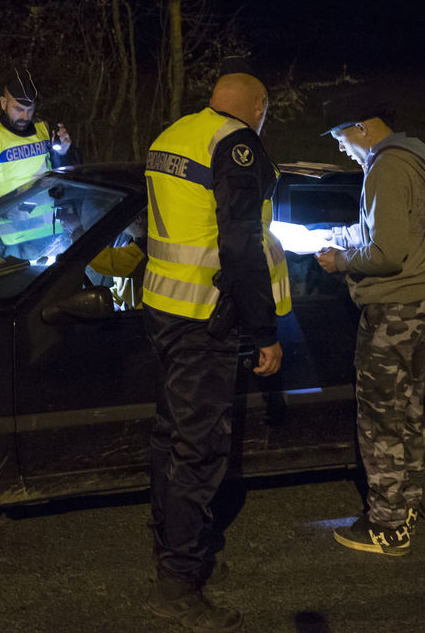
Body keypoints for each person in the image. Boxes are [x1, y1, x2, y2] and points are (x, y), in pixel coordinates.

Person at [142, 72, 287, 631]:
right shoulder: (237, 144)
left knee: (169, 439)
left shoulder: (172, 134)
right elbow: (240, 242)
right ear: (258, 107)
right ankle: (177, 585)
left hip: (162, 309)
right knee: (198, 452)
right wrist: (265, 330)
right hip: (204, 318)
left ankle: (178, 555)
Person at [315, 88, 425, 557]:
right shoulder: (416, 159)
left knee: (380, 420)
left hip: (394, 311)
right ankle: (407, 503)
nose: (342, 149)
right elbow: (395, 233)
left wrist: (340, 261)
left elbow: (388, 254)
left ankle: (387, 527)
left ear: (362, 128)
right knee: (407, 410)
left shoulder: (387, 166)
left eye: (341, 140)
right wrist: (340, 235)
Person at [0, 69, 79, 251]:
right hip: (6, 242)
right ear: (3, 103)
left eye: (30, 110)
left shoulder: (44, 129)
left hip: (49, 238)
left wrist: (64, 153)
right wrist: (3, 209)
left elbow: (64, 176)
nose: (25, 116)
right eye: (18, 109)